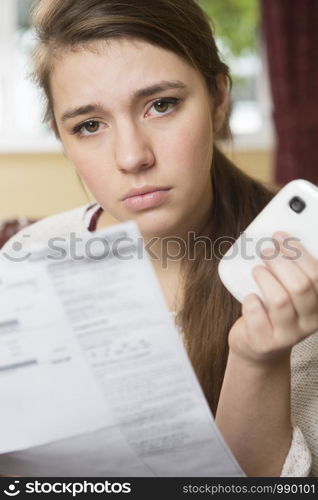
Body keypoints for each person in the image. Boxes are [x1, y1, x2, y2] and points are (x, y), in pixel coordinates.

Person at [2, 0, 318, 477]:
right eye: (89, 125)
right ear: (62, 139)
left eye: (161, 105)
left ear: (217, 100)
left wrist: (258, 358)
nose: (132, 157)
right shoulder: (28, 259)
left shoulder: (303, 261)